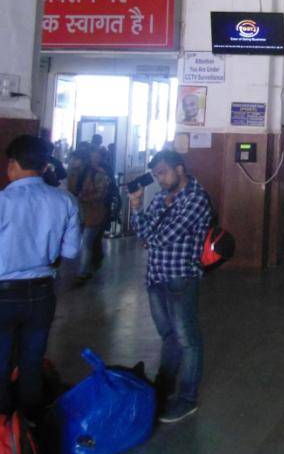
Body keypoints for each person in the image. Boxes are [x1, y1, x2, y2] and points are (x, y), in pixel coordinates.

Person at [0, 135, 81, 422]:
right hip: (42, 293)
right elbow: (71, 251)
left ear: (12, 165)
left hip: (4, 294)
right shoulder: (65, 201)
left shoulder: (2, 201)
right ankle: (30, 426)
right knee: (32, 361)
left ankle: (4, 430)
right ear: (45, 165)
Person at [129, 150, 212, 424]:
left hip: (180, 277)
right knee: (168, 336)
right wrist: (137, 207)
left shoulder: (196, 200)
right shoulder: (159, 197)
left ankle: (187, 398)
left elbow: (160, 238)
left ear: (180, 169)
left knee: (188, 340)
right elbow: (141, 233)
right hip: (156, 275)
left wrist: (148, 235)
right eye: (156, 175)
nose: (159, 179)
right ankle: (164, 387)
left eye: (163, 173)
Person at [67, 146, 111, 282]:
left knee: (87, 242)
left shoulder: (98, 173)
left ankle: (83, 271)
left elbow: (101, 193)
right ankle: (91, 263)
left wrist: (82, 198)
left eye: (76, 159)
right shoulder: (75, 173)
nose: (73, 162)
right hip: (81, 212)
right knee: (89, 242)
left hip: (94, 212)